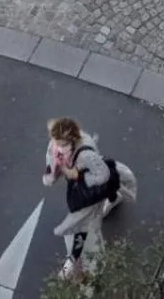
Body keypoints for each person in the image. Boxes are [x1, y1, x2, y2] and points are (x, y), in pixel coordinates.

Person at [42, 117, 138, 280]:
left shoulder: (85, 153)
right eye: (55, 140)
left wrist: (78, 176)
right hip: (80, 190)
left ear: (71, 139)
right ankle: (113, 199)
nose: (56, 145)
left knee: (82, 226)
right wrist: (54, 173)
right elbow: (51, 171)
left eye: (61, 142)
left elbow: (102, 175)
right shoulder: (55, 147)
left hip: (87, 192)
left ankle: (88, 266)